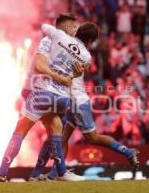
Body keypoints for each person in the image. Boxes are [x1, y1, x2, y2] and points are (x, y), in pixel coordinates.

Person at [0, 13, 84, 182]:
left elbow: (45, 67)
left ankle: (5, 173)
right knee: (54, 128)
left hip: (46, 94)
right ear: (64, 27)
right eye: (73, 27)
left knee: (32, 130)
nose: (76, 30)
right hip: (49, 95)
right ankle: (56, 173)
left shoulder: (58, 44)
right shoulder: (61, 45)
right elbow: (46, 67)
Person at [30, 30, 139, 182]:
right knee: (61, 138)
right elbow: (87, 67)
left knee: (91, 138)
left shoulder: (70, 47)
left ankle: (128, 152)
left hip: (75, 101)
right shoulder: (83, 52)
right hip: (72, 100)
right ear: (89, 40)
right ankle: (54, 174)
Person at [28, 21, 99, 181]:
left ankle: (38, 174)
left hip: (43, 90)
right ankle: (59, 173)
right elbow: (84, 68)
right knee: (56, 133)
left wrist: (58, 34)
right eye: (72, 26)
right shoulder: (85, 55)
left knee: (53, 134)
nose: (73, 28)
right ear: (90, 41)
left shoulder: (57, 36)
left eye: (76, 27)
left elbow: (44, 26)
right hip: (59, 95)